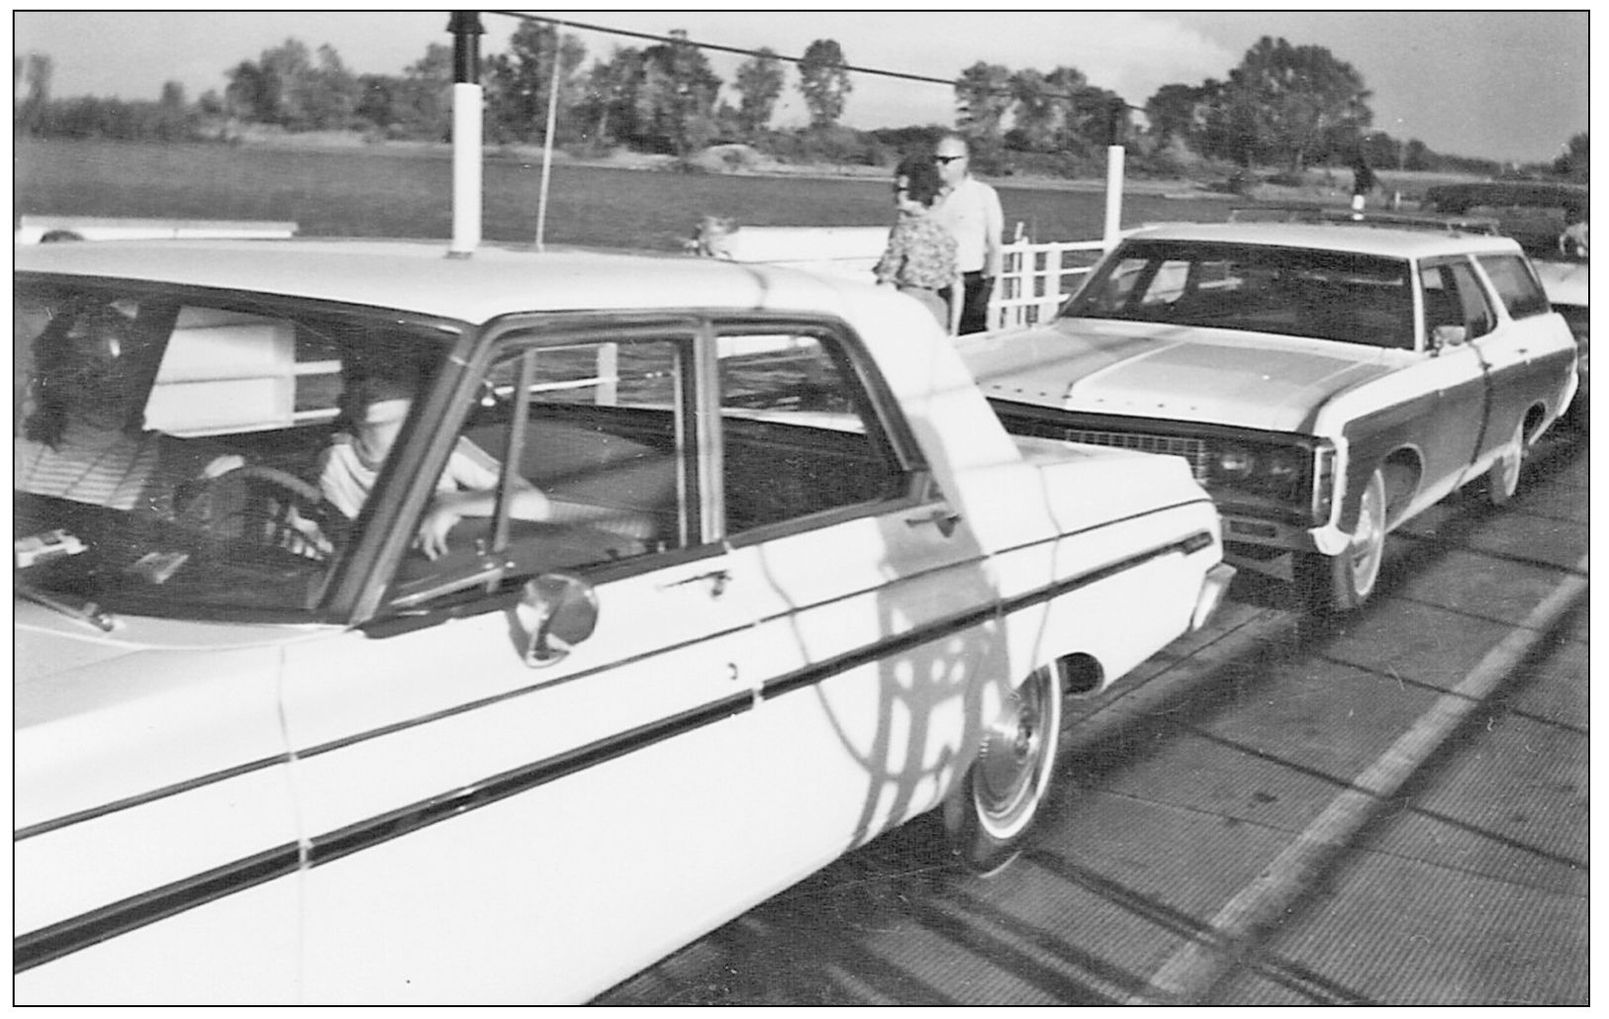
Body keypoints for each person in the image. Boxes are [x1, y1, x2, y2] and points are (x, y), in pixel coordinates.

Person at [14, 301, 241, 514]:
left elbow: (237, 466)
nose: (109, 387)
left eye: (120, 371)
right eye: (89, 375)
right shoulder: (19, 457)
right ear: (54, 385)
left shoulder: (159, 453)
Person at [318, 372, 555, 560]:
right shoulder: (332, 456)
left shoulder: (442, 448)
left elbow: (534, 503)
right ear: (343, 399)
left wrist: (449, 505)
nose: (372, 385)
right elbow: (311, 513)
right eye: (358, 376)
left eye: (390, 376)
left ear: (422, 395)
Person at [873, 154, 959, 329]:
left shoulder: (903, 229)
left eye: (901, 190)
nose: (895, 195)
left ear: (917, 192)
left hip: (909, 303)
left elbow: (887, 278)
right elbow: (956, 284)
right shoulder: (943, 232)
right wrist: (953, 327)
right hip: (938, 307)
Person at [931, 133, 1004, 334]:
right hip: (933, 279)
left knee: (970, 335)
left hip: (971, 278)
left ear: (964, 161)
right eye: (935, 159)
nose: (939, 165)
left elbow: (994, 244)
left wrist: (987, 286)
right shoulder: (927, 196)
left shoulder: (983, 194)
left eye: (946, 160)